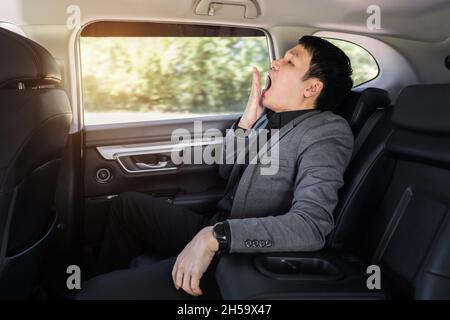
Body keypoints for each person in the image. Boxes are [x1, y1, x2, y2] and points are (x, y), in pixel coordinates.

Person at [76, 36, 354, 299]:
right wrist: (247, 121)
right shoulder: (275, 120)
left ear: (312, 88)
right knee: (127, 207)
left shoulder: (326, 132)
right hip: (215, 225)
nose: (275, 63)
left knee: (94, 294)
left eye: (290, 62)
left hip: (238, 254)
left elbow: (311, 226)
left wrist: (216, 237)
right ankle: (115, 280)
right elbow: (227, 170)